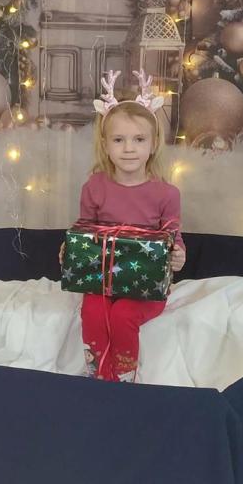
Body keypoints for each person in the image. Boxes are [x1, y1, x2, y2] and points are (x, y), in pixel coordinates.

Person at [60, 69, 185, 382]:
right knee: (93, 310)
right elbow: (85, 227)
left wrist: (178, 255)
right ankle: (98, 374)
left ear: (153, 144)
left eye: (139, 139)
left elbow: (173, 238)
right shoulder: (94, 187)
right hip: (101, 280)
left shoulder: (167, 194)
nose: (129, 148)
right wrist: (71, 249)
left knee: (123, 313)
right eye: (119, 140)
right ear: (105, 144)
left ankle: (124, 377)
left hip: (146, 286)